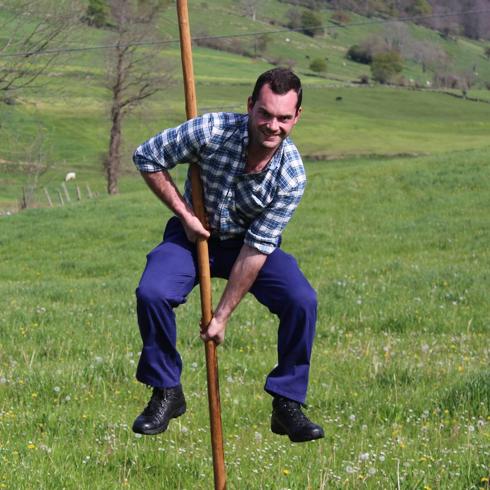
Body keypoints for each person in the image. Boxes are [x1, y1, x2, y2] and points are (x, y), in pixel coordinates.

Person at [131, 67, 324, 443]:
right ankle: (167, 390)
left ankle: (287, 404)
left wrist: (220, 316)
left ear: (297, 117)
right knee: (152, 292)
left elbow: (257, 248)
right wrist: (186, 216)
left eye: (284, 118)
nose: (273, 125)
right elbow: (147, 156)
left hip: (250, 247)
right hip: (192, 237)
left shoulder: (292, 175)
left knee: (302, 300)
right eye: (265, 113)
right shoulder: (211, 131)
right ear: (250, 105)